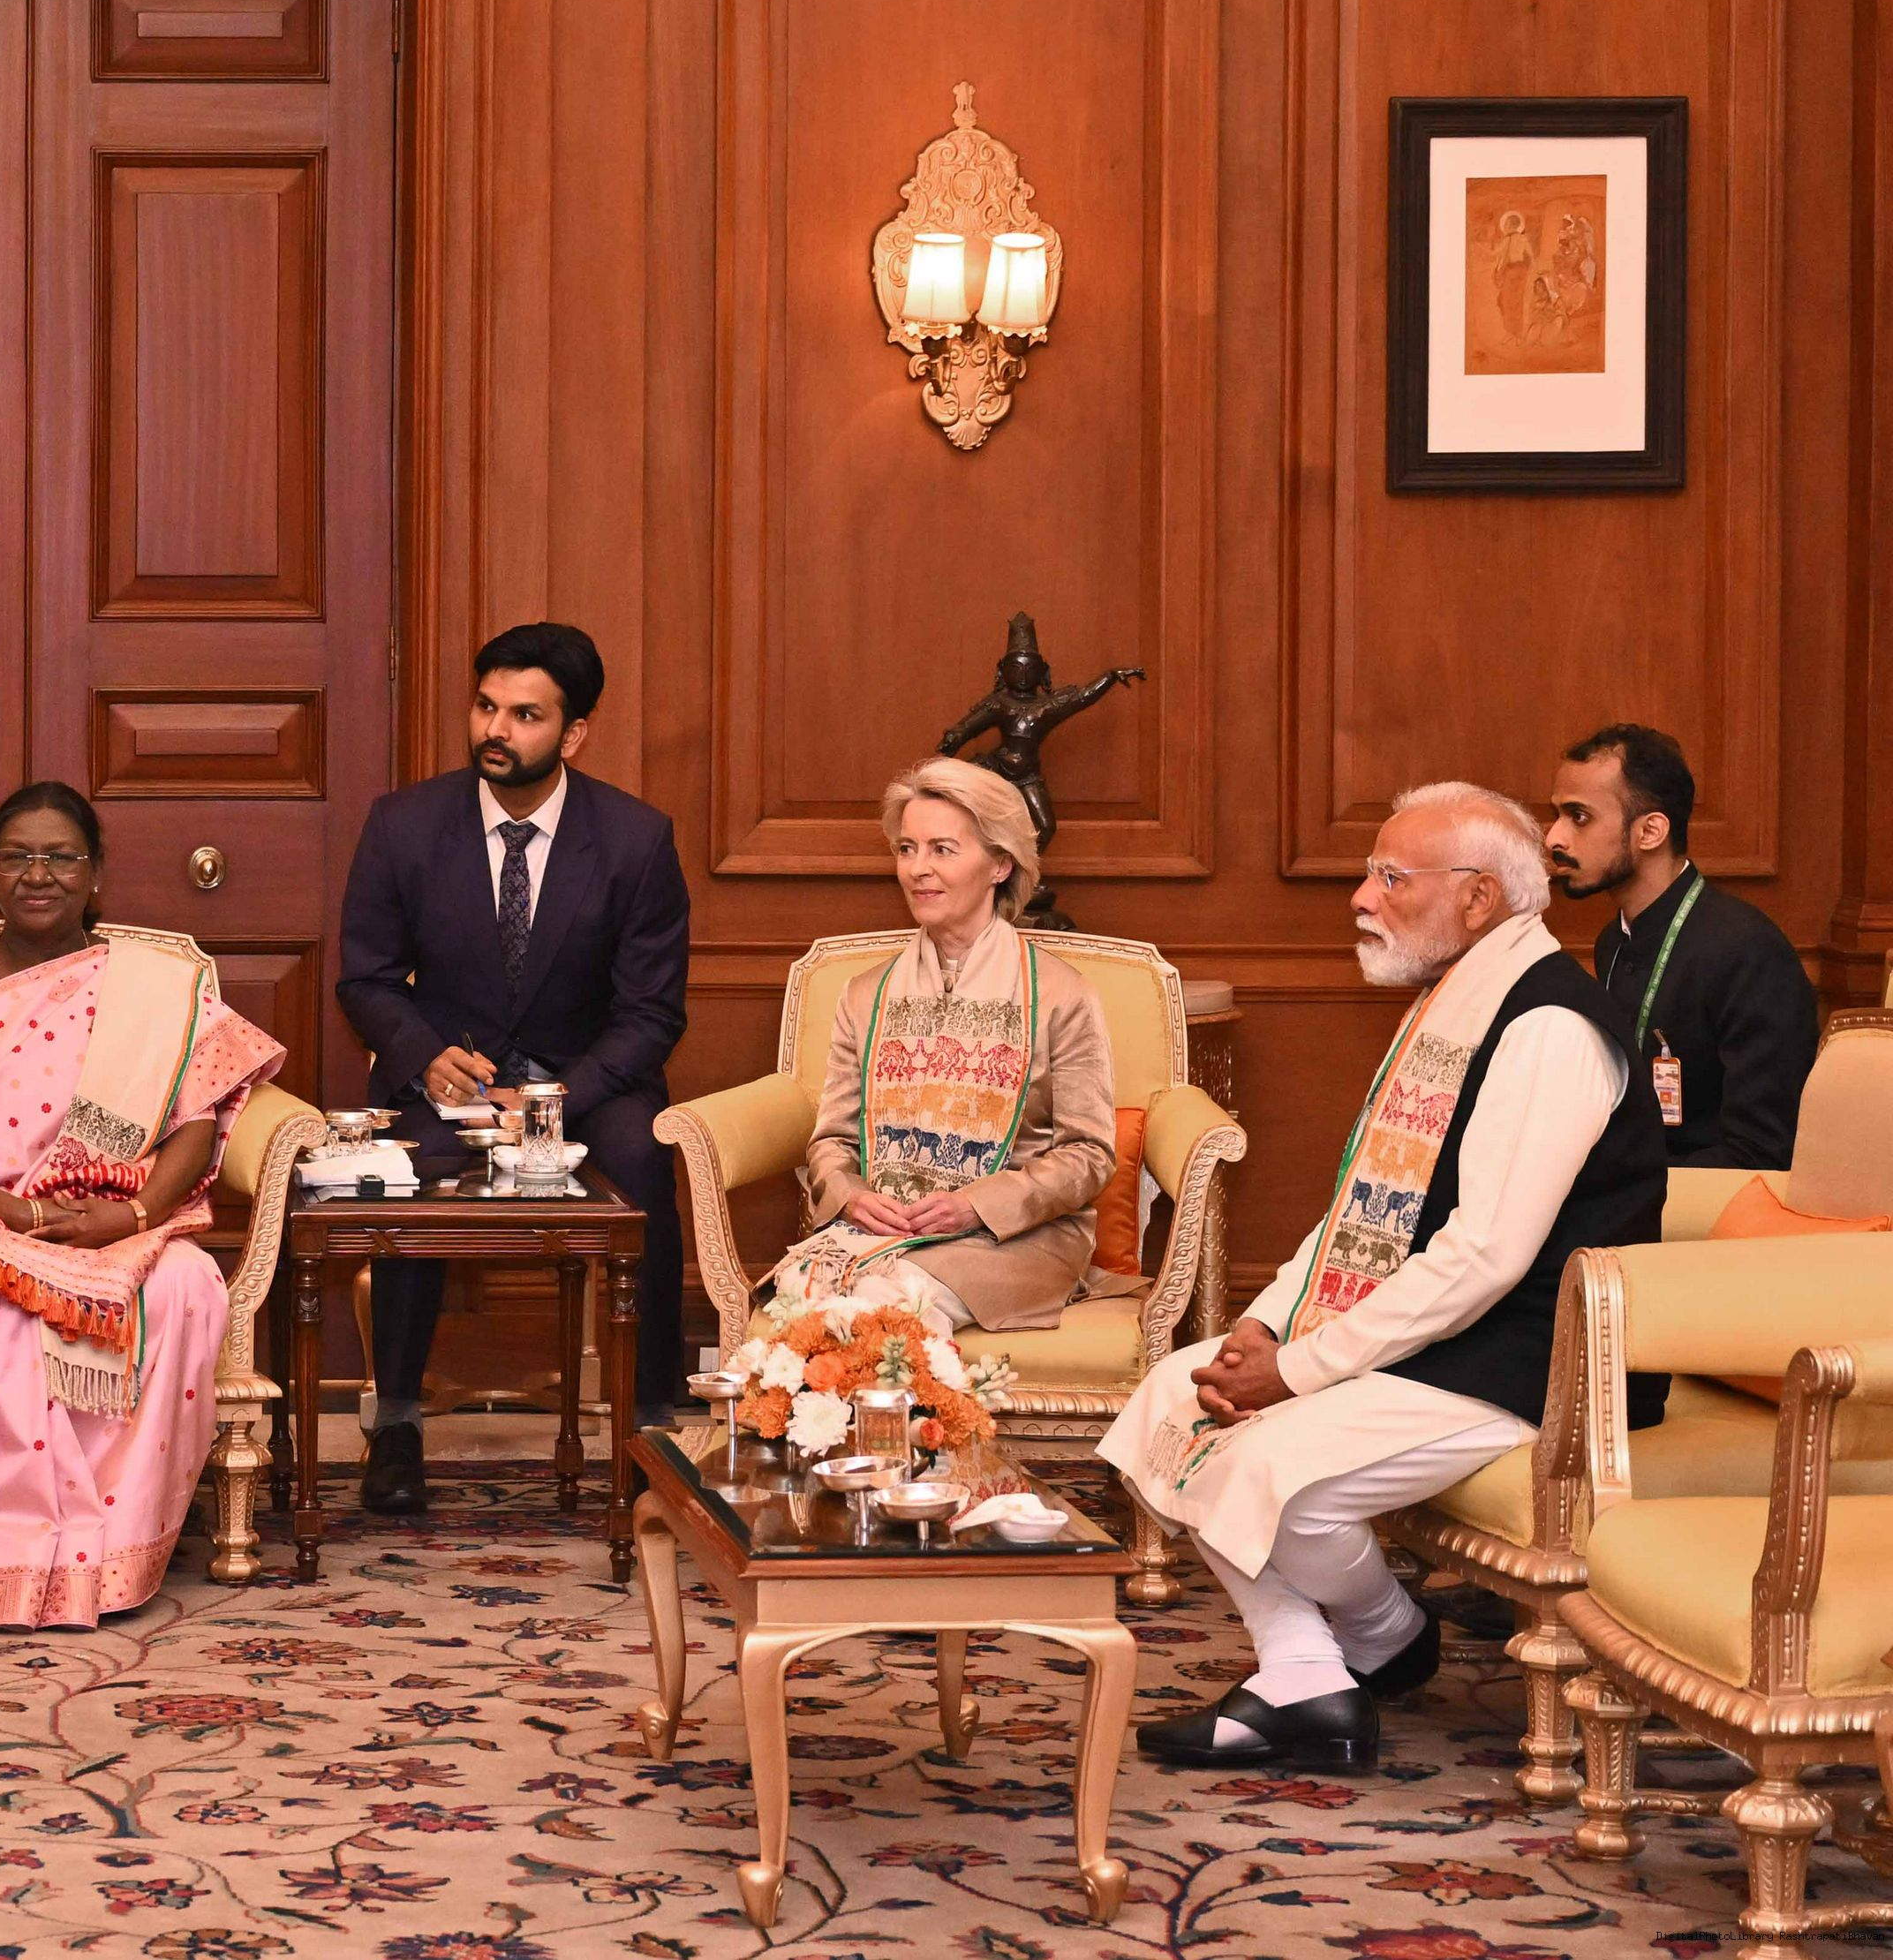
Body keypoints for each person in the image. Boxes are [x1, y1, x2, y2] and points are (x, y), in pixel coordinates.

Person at [1100, 783, 1663, 1773]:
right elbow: (1361, 1209)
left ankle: (1381, 1635)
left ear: (1478, 897)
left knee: (1276, 1476)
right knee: (1173, 1397)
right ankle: (1308, 1672)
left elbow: (1484, 1255)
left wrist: (1297, 1371)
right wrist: (1267, 1326)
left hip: (1528, 1362)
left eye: (1391, 877)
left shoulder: (1547, 1026)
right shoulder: (1449, 1006)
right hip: (1434, 1339)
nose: (1362, 898)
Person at [0, 783, 286, 1629]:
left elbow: (192, 1128)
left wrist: (135, 1216)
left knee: (182, 1286)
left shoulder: (154, 987)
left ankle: (105, 1549)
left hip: (115, 1218)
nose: (37, 874)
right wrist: (18, 1220)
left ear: (95, 872)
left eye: (60, 857)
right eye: (17, 857)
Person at [336, 622, 690, 1514]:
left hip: (585, 1080)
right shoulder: (405, 824)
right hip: (450, 1079)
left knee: (644, 1158)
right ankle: (398, 1423)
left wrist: (558, 1096)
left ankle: (649, 1422)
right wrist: (425, 1055)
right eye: (486, 706)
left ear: (575, 732)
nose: (496, 729)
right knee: (407, 1169)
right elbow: (365, 978)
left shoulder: (635, 838)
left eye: (525, 714)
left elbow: (652, 1012)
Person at [770, 758, 1118, 1331]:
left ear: (1000, 864)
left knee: (887, 1306)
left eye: (942, 850)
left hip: (1015, 1237)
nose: (918, 869)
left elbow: (1089, 1154)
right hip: (884, 1231)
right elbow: (832, 1139)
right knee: (801, 1292)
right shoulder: (866, 995)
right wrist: (852, 1197)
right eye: (906, 849)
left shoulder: (1060, 993)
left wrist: (976, 1205)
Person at [1544, 721, 1818, 1168]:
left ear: (1650, 832)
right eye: (1557, 814)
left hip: (1709, 1201)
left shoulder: (1749, 951)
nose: (1553, 837)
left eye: (1579, 816)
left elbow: (1762, 1152)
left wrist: (1618, 1186)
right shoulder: (1613, 941)